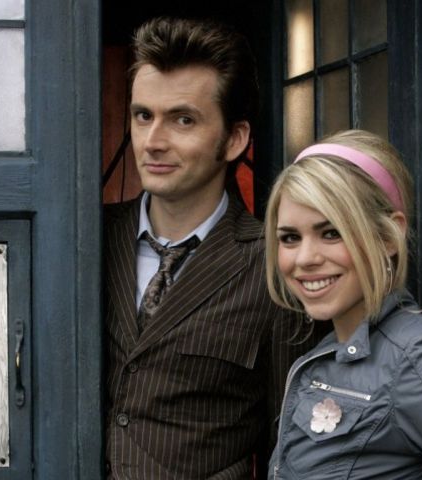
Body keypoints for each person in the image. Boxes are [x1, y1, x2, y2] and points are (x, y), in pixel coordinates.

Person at [104, 16, 319, 479]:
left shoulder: (274, 267)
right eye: (143, 116)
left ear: (234, 139)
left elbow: (288, 445)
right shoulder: (90, 239)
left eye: (182, 120)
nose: (153, 142)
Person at [264, 129, 422, 479]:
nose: (305, 258)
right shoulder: (327, 353)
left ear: (388, 236)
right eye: (290, 238)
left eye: (331, 233)